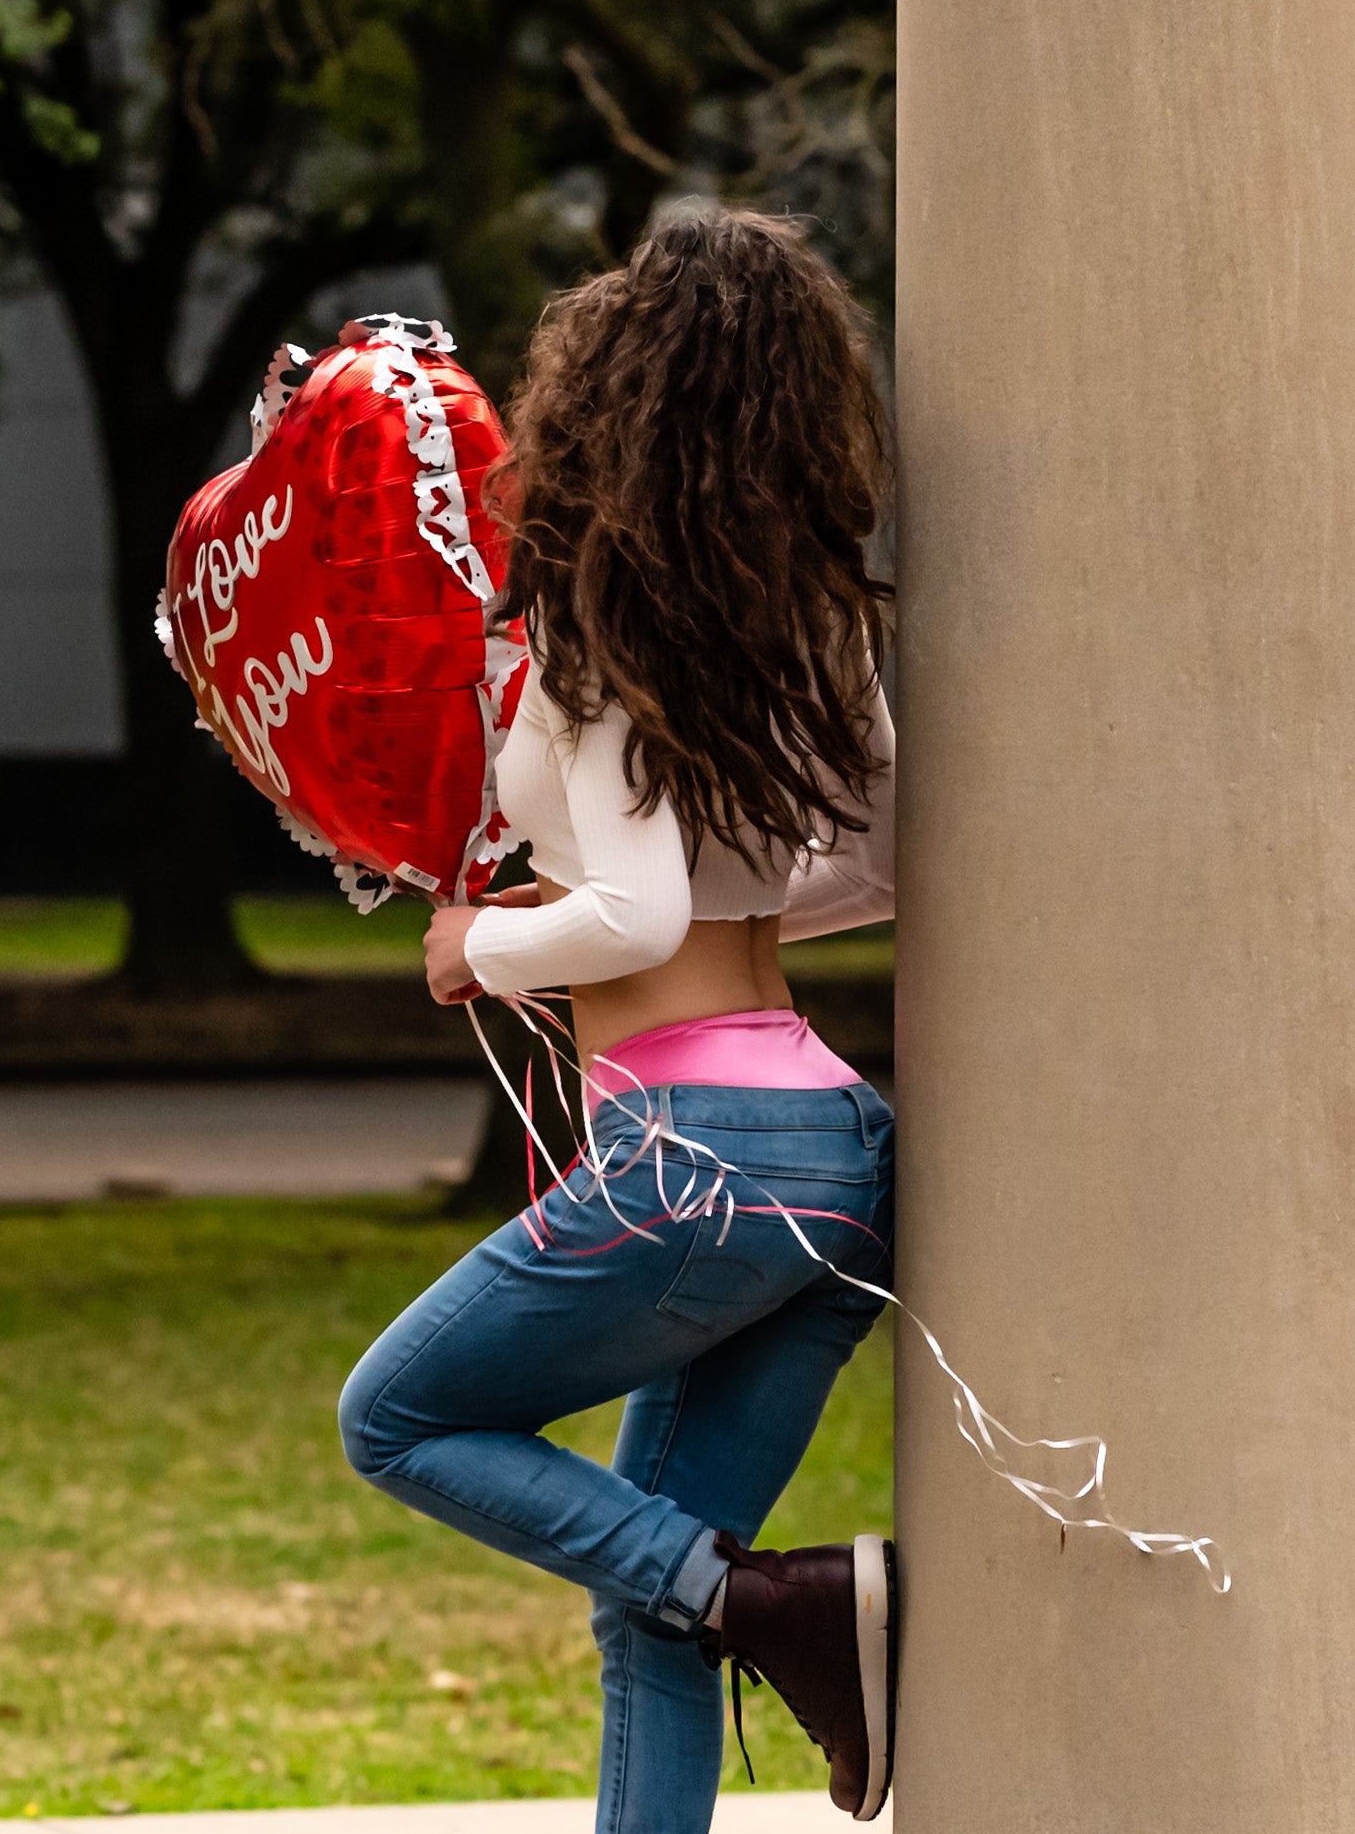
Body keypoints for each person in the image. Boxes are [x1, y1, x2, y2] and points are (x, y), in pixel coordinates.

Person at [337, 204, 900, 1826]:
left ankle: (775, 1607)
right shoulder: (816, 627)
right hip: (828, 1157)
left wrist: (477, 945)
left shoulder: (594, 632)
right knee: (648, 1597)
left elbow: (643, 912)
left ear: (607, 400)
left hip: (688, 1159)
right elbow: (861, 874)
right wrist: (569, 926)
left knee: (395, 1415)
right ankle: (740, 1598)